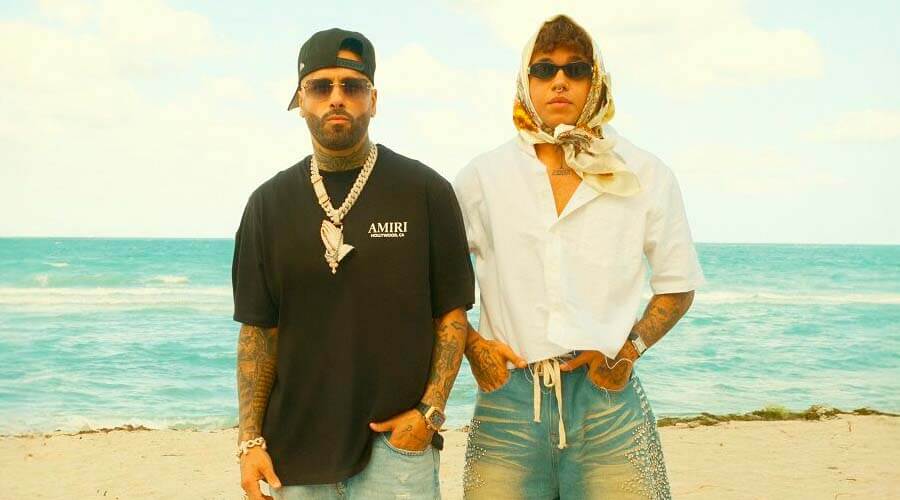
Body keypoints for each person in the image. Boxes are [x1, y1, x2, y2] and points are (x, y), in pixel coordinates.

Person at [454, 14, 705, 499]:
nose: (560, 80)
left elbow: (678, 284)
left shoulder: (644, 172)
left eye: (576, 69)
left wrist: (628, 351)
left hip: (606, 397)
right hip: (509, 399)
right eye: (544, 69)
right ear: (525, 81)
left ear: (597, 80)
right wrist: (474, 346)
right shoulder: (483, 177)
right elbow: (435, 280)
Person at [232, 27, 474, 500]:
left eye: (353, 86)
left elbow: (451, 315)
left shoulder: (426, 192)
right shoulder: (267, 205)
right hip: (294, 458)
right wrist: (249, 441)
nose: (337, 97)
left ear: (374, 100)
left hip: (395, 454)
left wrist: (428, 415)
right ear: (301, 101)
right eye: (321, 86)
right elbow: (258, 333)